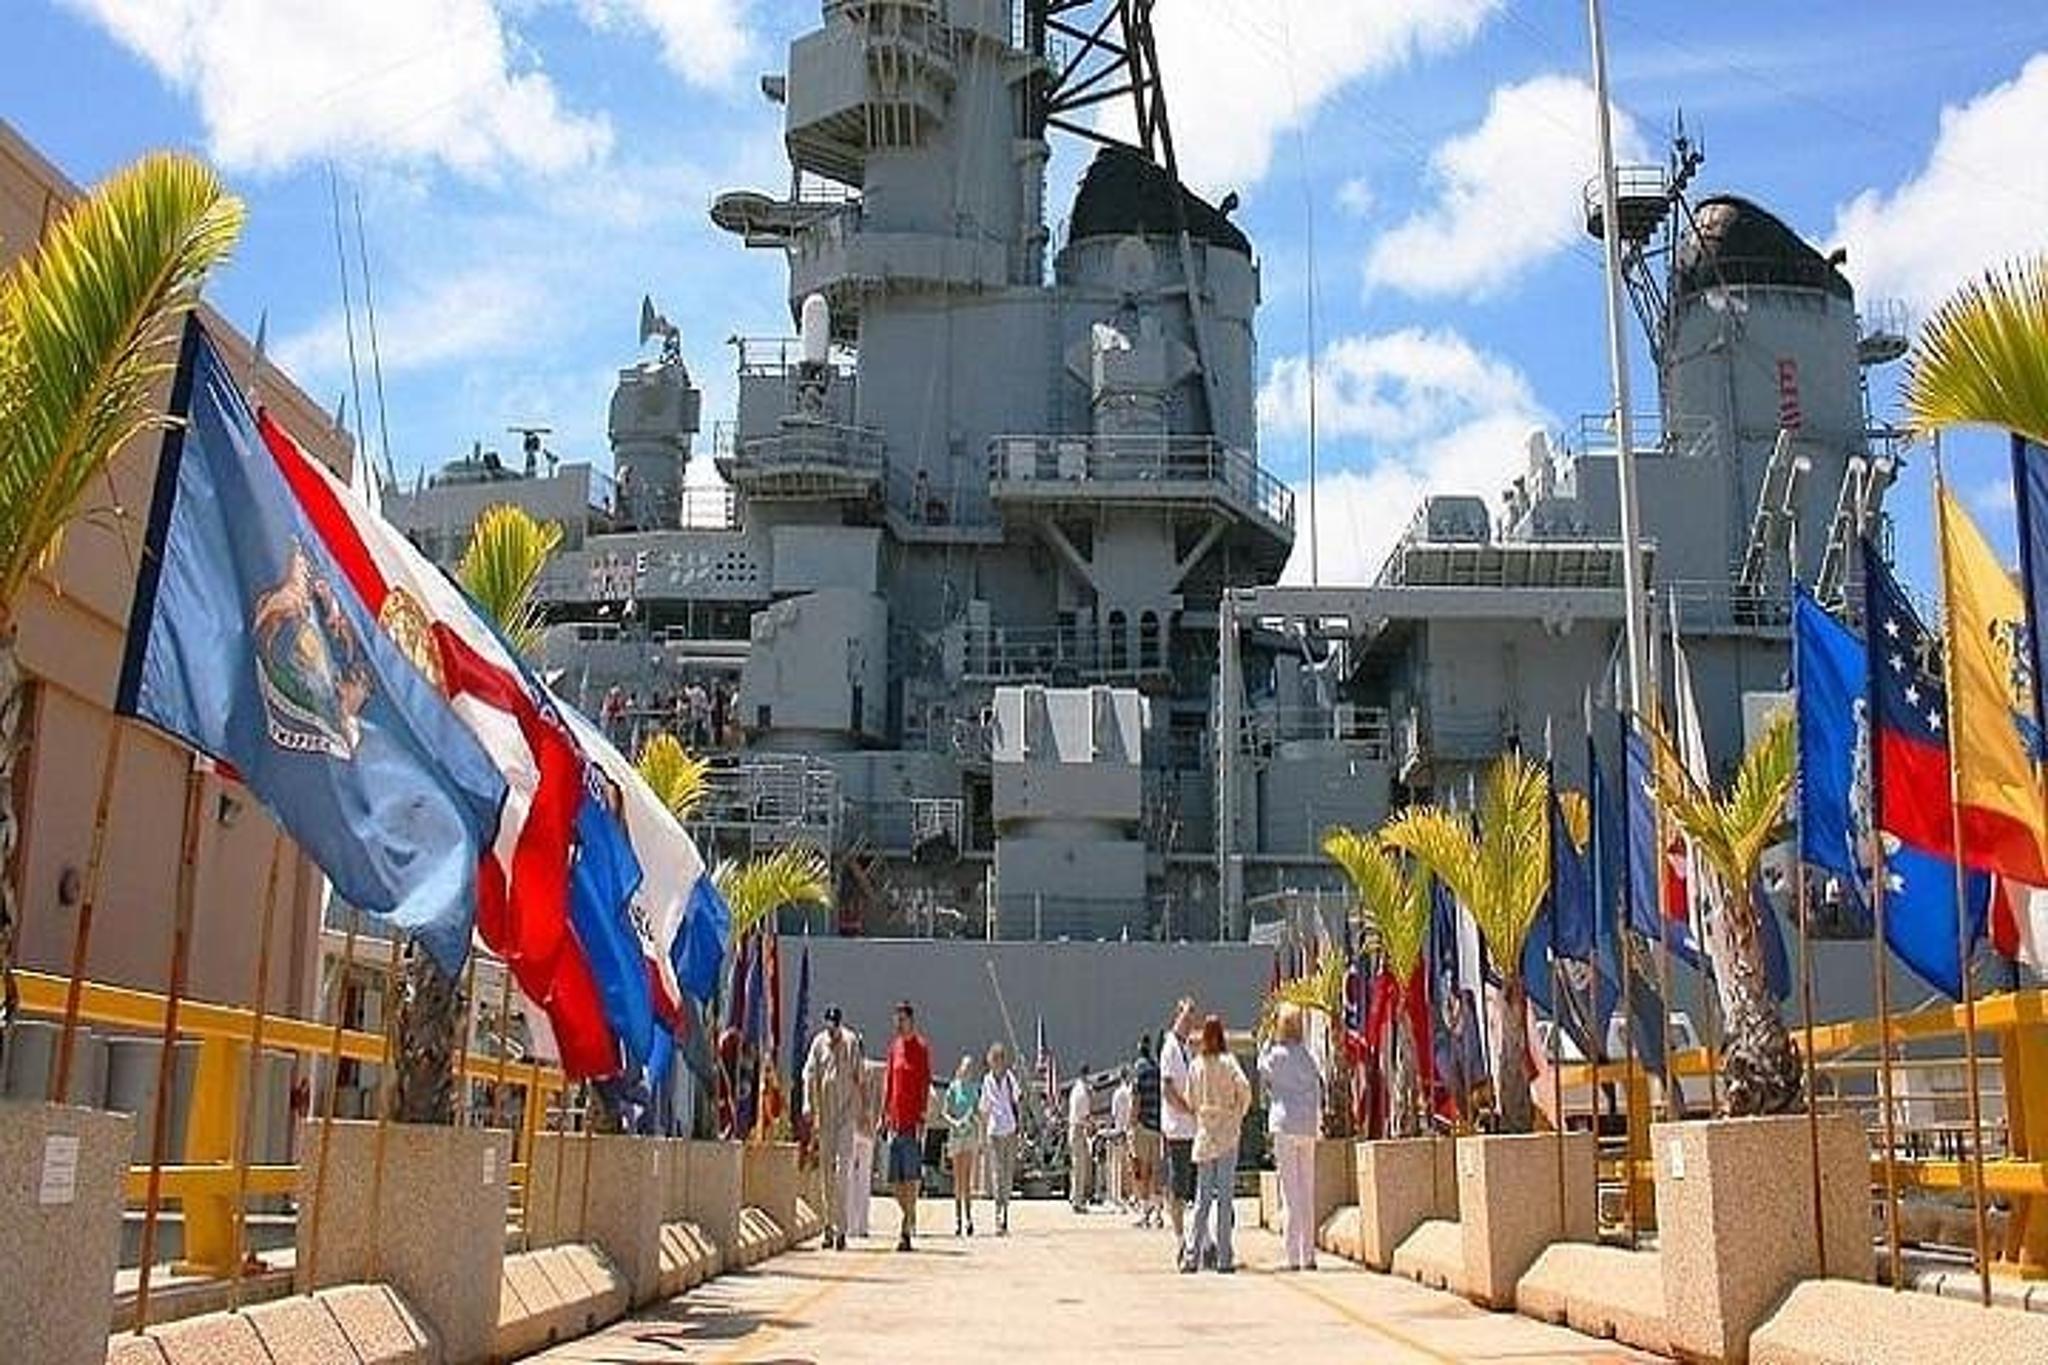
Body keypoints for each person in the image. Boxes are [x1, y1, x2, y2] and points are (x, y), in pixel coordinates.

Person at [1182, 1013, 1250, 1274]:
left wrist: (1202, 1112)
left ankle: (1192, 1255)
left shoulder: (1196, 1066)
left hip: (1205, 1135)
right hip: (1227, 1135)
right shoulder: (1229, 1062)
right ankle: (1224, 1257)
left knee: (1202, 1199)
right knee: (1224, 1199)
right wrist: (1236, 1114)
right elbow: (1244, 1091)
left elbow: (1189, 1099)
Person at [1259, 1003, 1326, 1271]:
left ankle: (1292, 1256)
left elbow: (1261, 1067)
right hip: (1307, 1126)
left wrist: (1266, 1040)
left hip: (1284, 1125)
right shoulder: (1308, 1057)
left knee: (1290, 1193)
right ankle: (1309, 1255)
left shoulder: (1275, 1056)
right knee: (1307, 1191)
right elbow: (1317, 1089)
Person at [802, 1004, 867, 1251]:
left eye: (835, 1028)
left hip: (845, 1115)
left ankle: (842, 1228)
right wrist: (808, 1104)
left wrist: (864, 1112)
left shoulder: (850, 1043)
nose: (832, 1033)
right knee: (826, 1173)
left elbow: (860, 1079)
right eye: (828, 1027)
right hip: (825, 1115)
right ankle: (827, 1227)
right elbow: (808, 1074)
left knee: (842, 1171)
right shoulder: (819, 1043)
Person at [881, 1001, 933, 1251]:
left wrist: (923, 1116)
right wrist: (883, 1114)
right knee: (893, 1180)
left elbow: (925, 1083)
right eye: (896, 1020)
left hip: (912, 1123)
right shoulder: (894, 1048)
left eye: (902, 1020)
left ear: (911, 1021)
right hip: (894, 1121)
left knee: (911, 1178)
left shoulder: (920, 1048)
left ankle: (904, 1230)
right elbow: (889, 1082)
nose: (898, 1024)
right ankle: (908, 1214)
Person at [1159, 997, 1199, 1247]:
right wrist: (1188, 1108)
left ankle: (1193, 1236)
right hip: (1177, 1127)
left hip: (1192, 1128)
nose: (1189, 1023)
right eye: (1186, 1017)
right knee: (1178, 1184)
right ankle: (1179, 1236)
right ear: (1177, 1016)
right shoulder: (1170, 1048)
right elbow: (1168, 1089)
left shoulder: (1186, 1048)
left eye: (1192, 1018)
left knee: (1191, 1185)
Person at [978, 1041, 1022, 1235]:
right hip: (994, 1131)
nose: (996, 1063)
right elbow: (984, 1108)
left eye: (999, 1059)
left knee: (1008, 1172)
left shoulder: (1011, 1079)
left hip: (1010, 1130)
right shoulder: (986, 1080)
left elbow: (1017, 1102)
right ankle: (999, 1213)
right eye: (993, 1060)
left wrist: (1020, 1129)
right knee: (997, 1173)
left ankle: (1005, 1209)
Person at [943, 1055, 984, 1236]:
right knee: (957, 1181)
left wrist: (974, 1120)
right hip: (956, 1136)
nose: (968, 1071)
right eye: (965, 1067)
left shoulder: (974, 1089)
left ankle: (969, 1219)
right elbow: (945, 1112)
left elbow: (978, 1113)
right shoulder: (953, 1088)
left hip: (969, 1137)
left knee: (967, 1182)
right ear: (960, 1069)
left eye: (970, 1068)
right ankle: (957, 1219)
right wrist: (955, 1122)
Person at [848, 1051, 883, 1238]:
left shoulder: (848, 1069)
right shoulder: (873, 1070)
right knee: (864, 1179)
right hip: (868, 1129)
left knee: (848, 1177)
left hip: (852, 1126)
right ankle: (862, 1225)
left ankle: (850, 1224)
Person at [1130, 1035, 1162, 1228]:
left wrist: (1131, 1124)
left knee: (1140, 1171)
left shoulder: (1139, 1069)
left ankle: (1144, 1212)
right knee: (1156, 1171)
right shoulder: (1157, 1070)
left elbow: (1136, 1099)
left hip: (1143, 1126)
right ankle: (1158, 1212)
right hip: (1157, 1127)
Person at [1067, 1066, 1095, 1212]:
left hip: (1074, 1129)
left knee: (1076, 1167)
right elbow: (1084, 1115)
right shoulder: (1083, 1092)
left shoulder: (1075, 1089)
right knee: (1080, 1168)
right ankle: (1078, 1202)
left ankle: (1074, 1197)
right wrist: (1092, 1125)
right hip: (1079, 1130)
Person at [1109, 1068, 1135, 1211]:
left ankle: (1117, 1196)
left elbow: (1114, 1115)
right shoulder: (1130, 1092)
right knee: (1130, 1167)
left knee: (1117, 1167)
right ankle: (1130, 1195)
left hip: (1119, 1132)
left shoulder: (1117, 1093)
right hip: (1129, 1132)